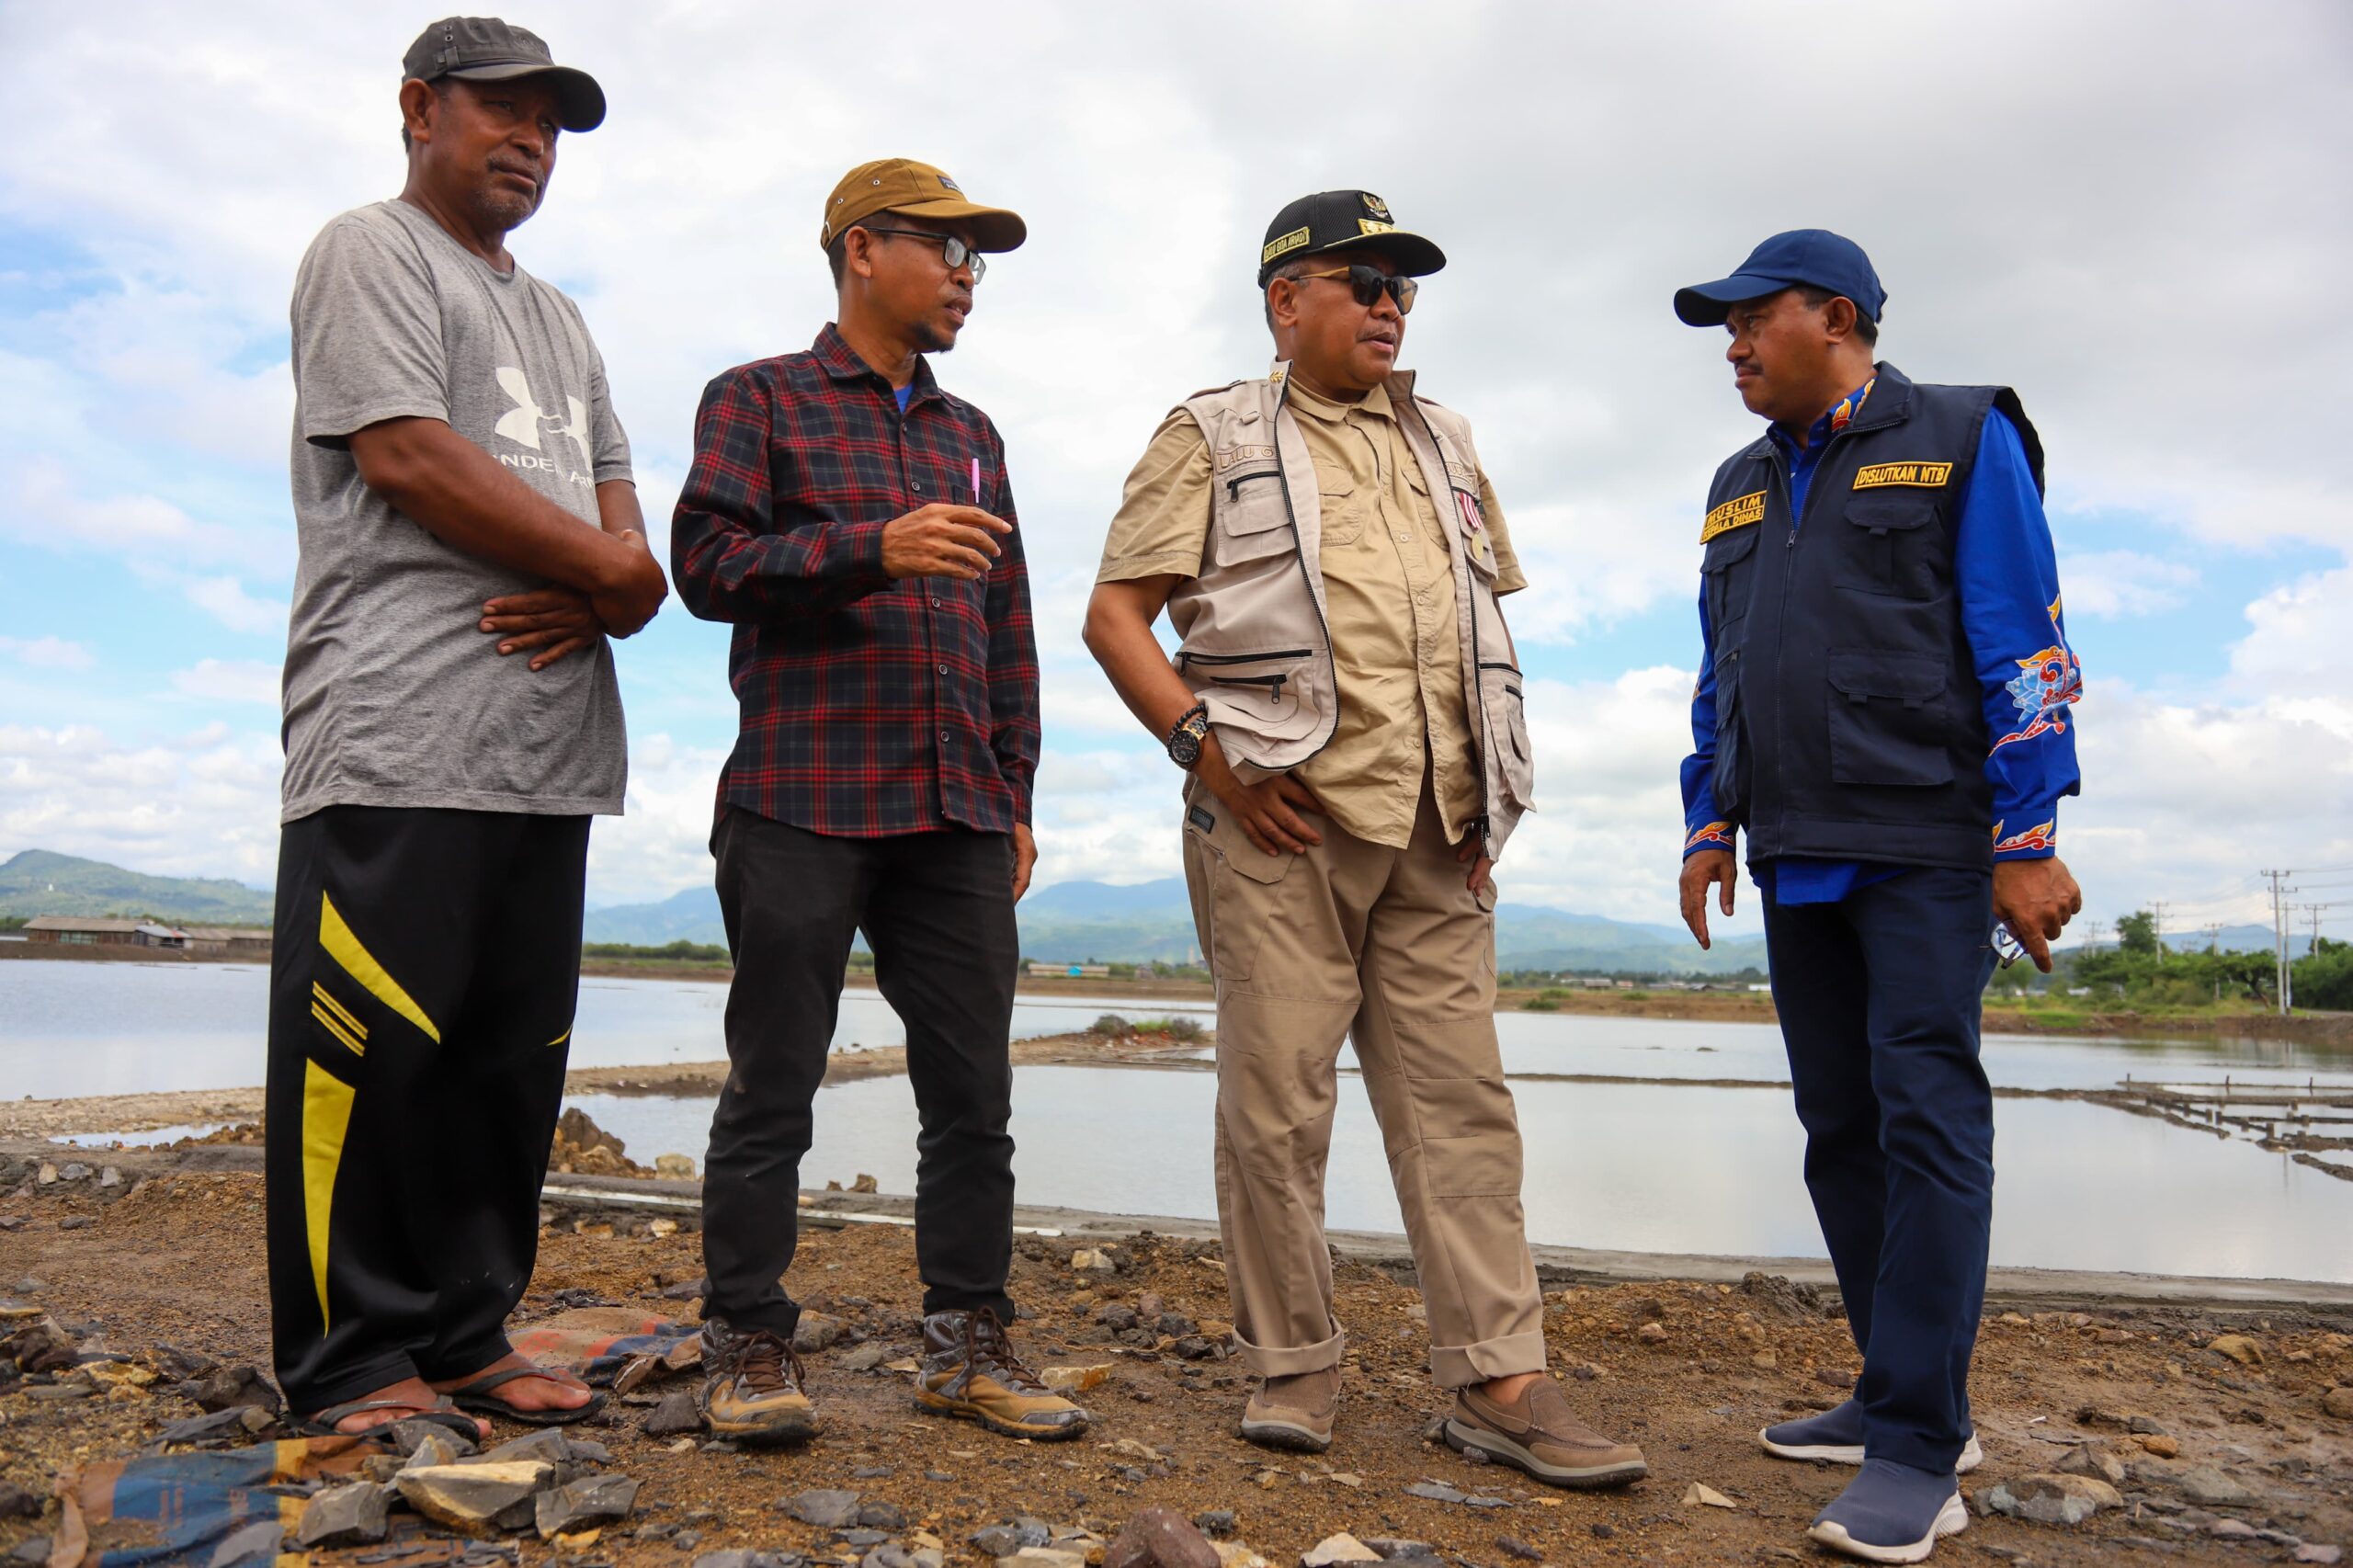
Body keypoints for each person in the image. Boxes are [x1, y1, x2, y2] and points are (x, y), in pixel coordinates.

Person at [1082, 190, 1646, 1490]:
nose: (1392, 305)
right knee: (1277, 1106)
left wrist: (1490, 793)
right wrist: (1206, 758)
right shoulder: (1210, 432)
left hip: (1439, 832)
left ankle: (1500, 1378)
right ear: (1286, 303)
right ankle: (1291, 1361)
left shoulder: (1447, 439)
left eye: (1403, 287)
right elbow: (1117, 616)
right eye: (1362, 281)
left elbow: (1475, 627)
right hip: (1282, 821)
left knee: (1463, 1109)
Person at [267, 16, 667, 1437]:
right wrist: (599, 567)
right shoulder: (368, 250)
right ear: (419, 109)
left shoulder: (562, 318)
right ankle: (350, 1358)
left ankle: (470, 1327)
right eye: (504, 111)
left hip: (550, 753)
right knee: (374, 1057)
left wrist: (609, 575)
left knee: (507, 1059)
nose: (531, 141)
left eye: (550, 123)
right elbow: (406, 452)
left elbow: (633, 543)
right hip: (398, 727)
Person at [1672, 230, 2085, 1562]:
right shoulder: (1738, 486)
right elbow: (1719, 671)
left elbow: (2023, 638)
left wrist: (2026, 831)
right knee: (1839, 1125)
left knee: (1926, 1117)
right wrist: (1705, 816)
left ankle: (1921, 1449)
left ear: (1837, 317)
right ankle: (1901, 1386)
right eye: (1722, 327)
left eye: (1752, 319)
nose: (1731, 345)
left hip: (1927, 847)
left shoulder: (1963, 437)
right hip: (1797, 850)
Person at [670, 158, 1083, 1447]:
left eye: (981, 257)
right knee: (773, 1084)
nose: (969, 276)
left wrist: (1012, 792)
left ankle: (967, 1343)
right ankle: (747, 1342)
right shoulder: (760, 399)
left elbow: (1007, 625)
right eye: (947, 249)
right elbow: (705, 562)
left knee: (974, 1096)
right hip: (801, 796)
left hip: (955, 810)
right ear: (860, 249)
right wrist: (871, 547)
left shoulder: (975, 437)